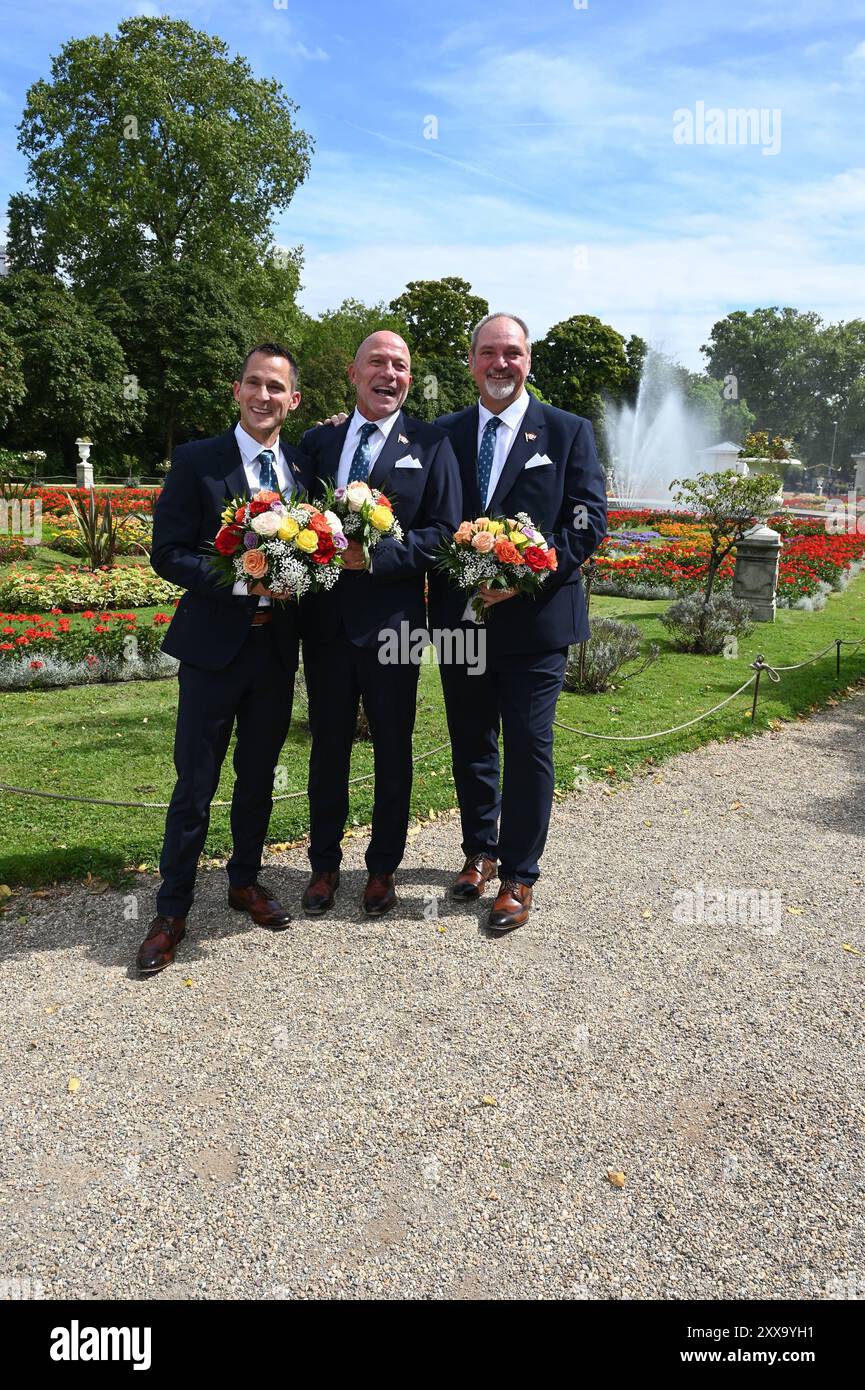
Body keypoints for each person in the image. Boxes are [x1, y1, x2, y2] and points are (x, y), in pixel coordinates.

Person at [428, 313, 607, 931]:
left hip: (536, 622)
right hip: (459, 620)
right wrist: (337, 429)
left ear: (528, 361)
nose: (500, 363)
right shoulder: (441, 434)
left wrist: (526, 572)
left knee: (529, 747)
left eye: (512, 353)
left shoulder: (566, 431)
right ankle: (479, 849)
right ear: (471, 360)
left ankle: (520, 875)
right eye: (488, 353)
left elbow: (587, 520)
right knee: (471, 742)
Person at [136, 343, 311, 975]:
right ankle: (171, 909)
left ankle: (243, 882)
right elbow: (168, 551)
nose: (264, 396)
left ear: (293, 400)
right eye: (254, 384)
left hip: (274, 651)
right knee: (195, 785)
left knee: (258, 778)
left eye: (277, 388)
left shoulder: (302, 468)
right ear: (237, 390)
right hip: (213, 650)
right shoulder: (198, 461)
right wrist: (240, 580)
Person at [298, 331, 461, 918]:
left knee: (394, 748)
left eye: (400, 366)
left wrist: (376, 556)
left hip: (394, 625)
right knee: (329, 748)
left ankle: (383, 868)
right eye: (377, 363)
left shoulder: (433, 444)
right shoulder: (317, 441)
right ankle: (323, 865)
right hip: (323, 623)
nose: (388, 373)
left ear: (409, 380)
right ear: (353, 372)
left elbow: (443, 532)